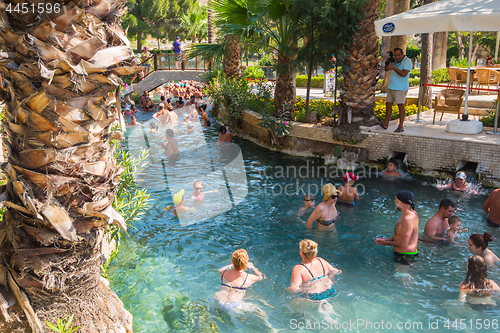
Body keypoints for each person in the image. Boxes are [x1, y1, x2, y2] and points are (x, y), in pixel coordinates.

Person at [375, 190, 419, 265]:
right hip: (405, 254)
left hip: (405, 256)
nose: (394, 200)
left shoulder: (408, 219)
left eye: (396, 199)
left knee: (400, 276)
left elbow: (404, 244)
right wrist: (390, 239)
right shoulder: (409, 213)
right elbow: (402, 232)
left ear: (402, 203)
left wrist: (386, 243)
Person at [380, 48, 412, 133]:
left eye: (398, 55)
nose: (397, 57)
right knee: (388, 105)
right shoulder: (394, 60)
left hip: (401, 88)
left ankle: (401, 126)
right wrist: (387, 62)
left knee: (400, 107)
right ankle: (386, 123)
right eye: (395, 55)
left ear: (402, 54)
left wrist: (393, 68)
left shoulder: (407, 61)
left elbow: (404, 74)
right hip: (392, 87)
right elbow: (387, 69)